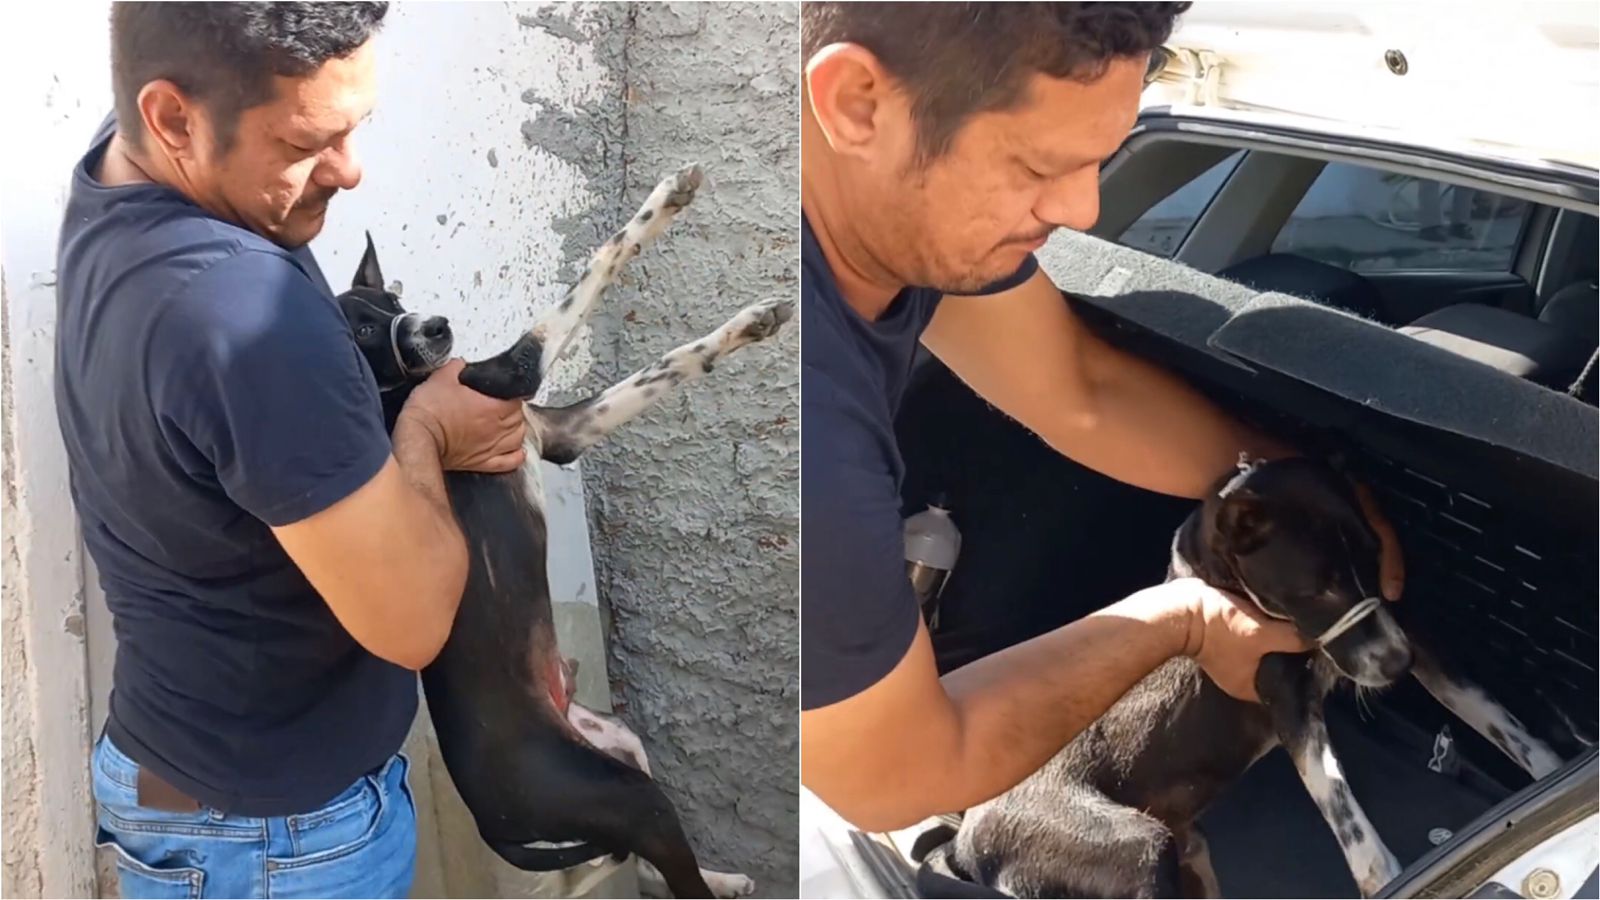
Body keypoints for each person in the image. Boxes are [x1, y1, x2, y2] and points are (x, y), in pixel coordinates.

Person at [798, 2, 1406, 832]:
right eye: (1037, 164)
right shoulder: (807, 436)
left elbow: (1082, 390)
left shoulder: (890, 222)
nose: (1083, 209)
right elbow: (896, 774)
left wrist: (1297, 487)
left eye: (1099, 162)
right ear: (856, 101)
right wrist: (1185, 616)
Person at [54, 4, 526, 896]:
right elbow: (416, 620)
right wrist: (428, 427)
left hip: (184, 777)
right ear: (173, 118)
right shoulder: (241, 315)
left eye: (356, 128)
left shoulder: (121, 172)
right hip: (276, 839)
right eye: (308, 141)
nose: (350, 172)